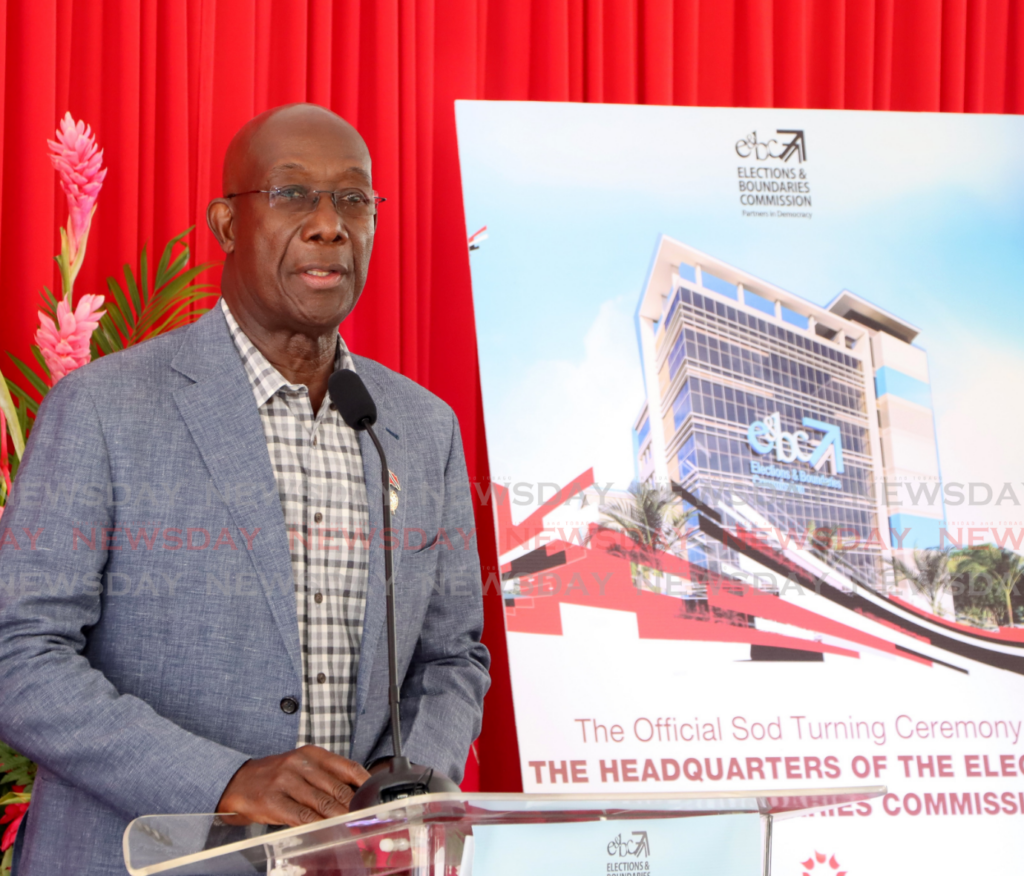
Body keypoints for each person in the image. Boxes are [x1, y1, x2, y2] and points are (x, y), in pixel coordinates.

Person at [0, 104, 490, 876]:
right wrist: (224, 781)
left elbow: (453, 656)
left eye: (354, 199)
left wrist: (407, 794)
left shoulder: (423, 427)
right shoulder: (103, 408)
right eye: (293, 195)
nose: (331, 224)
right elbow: (19, 654)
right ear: (227, 225)